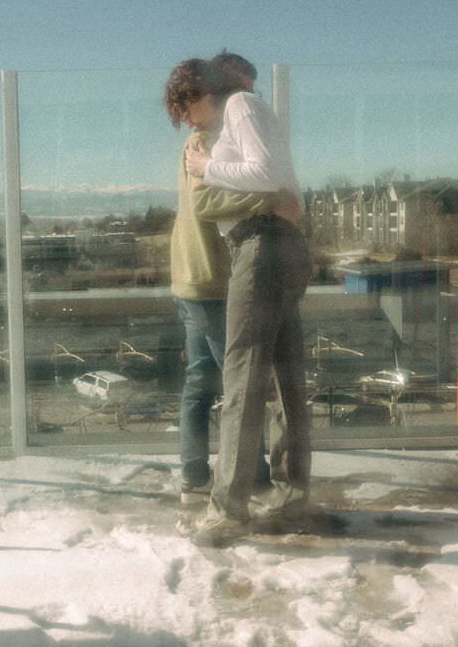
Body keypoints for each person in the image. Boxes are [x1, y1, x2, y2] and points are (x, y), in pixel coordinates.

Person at [180, 53, 312, 546]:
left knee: (241, 378)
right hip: (277, 246)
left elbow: (265, 173)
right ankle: (291, 499)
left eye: (190, 103)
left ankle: (228, 511)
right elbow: (271, 183)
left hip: (261, 247)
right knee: (283, 379)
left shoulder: (242, 105)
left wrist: (206, 165)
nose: (190, 117)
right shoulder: (250, 111)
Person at [165, 58, 270, 505]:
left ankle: (194, 473)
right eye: (238, 90)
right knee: (238, 382)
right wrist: (273, 192)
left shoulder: (202, 138)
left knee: (201, 380)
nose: (246, 99)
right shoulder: (205, 139)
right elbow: (208, 203)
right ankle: (253, 474)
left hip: (192, 274)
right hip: (209, 277)